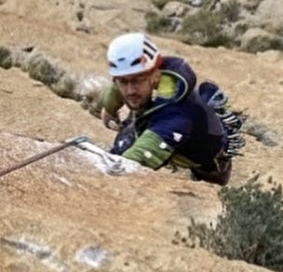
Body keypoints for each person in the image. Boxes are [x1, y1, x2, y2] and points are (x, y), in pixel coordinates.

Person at [99, 32, 241, 186]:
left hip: (205, 153)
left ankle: (218, 116)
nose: (130, 90)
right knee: (130, 132)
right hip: (162, 118)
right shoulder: (151, 73)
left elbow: (135, 159)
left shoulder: (178, 116)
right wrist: (109, 108)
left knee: (215, 178)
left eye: (137, 81)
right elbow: (117, 87)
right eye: (123, 82)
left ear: (155, 75)